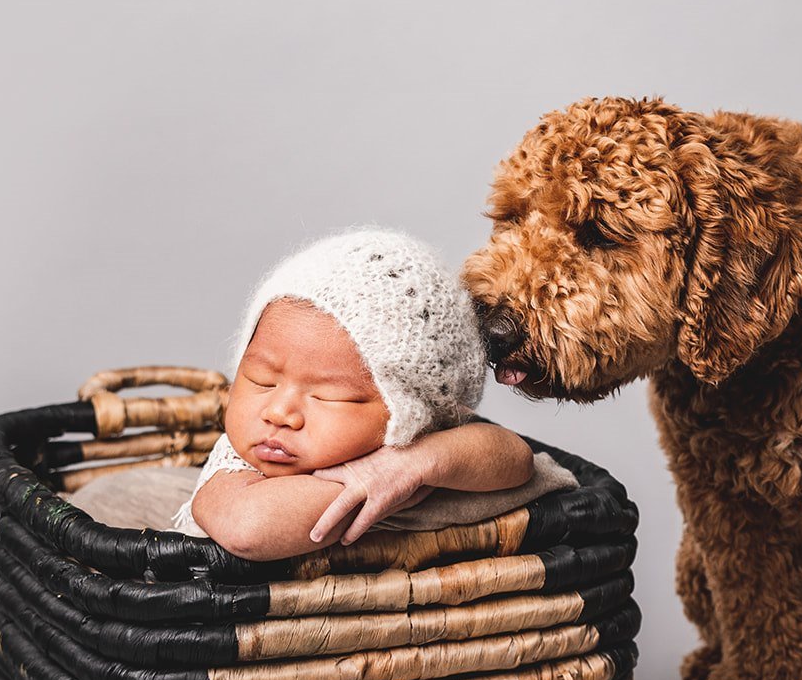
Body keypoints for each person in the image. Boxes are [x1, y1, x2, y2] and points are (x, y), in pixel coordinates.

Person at [173, 228, 536, 560]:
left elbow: (518, 459)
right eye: (262, 380)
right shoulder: (239, 463)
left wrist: (411, 465)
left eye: (329, 397)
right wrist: (372, 487)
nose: (279, 412)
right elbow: (248, 529)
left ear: (411, 416)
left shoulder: (413, 442)